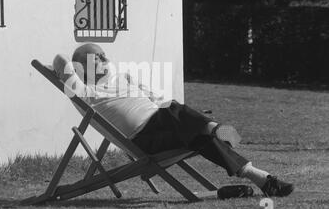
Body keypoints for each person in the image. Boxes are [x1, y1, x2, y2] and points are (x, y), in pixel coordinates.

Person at [53, 43, 294, 197]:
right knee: (190, 125)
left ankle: (261, 179)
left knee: (172, 108)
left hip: (165, 119)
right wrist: (75, 64)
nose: (105, 57)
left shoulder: (123, 77)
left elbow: (159, 98)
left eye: (105, 54)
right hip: (144, 140)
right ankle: (215, 129)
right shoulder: (84, 94)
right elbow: (59, 60)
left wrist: (176, 111)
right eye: (98, 56)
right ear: (83, 65)